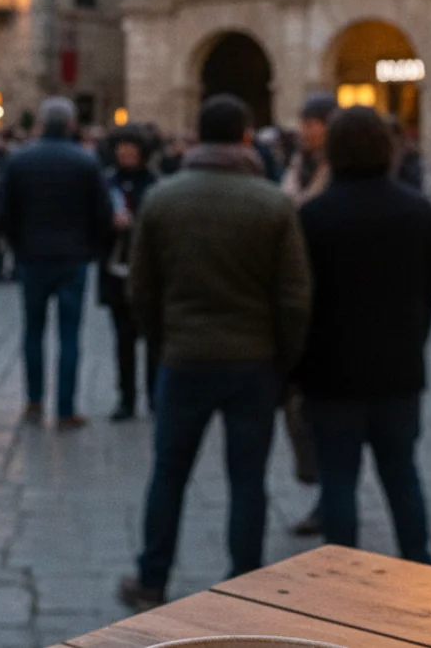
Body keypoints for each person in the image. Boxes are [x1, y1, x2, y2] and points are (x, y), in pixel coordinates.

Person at [118, 95, 312, 612]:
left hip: (184, 358)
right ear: (246, 136)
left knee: (169, 473)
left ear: (197, 136)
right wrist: (283, 358)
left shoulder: (162, 199)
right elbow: (295, 295)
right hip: (252, 362)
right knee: (247, 478)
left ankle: (152, 577)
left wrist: (162, 342)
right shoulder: (271, 202)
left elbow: (140, 288)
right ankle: (244, 583)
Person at [297, 107, 431, 563]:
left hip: (331, 369)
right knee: (402, 474)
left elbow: (303, 299)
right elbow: (428, 291)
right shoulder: (417, 211)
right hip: (398, 366)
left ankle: (341, 571)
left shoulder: (316, 216)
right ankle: (418, 560)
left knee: (338, 477)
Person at [0, 97, 113, 429]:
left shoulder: (19, 161)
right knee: (70, 336)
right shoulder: (85, 162)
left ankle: (33, 399)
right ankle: (65, 407)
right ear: (71, 124)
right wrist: (88, 246)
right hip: (72, 257)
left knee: (32, 331)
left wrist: (18, 246)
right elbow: (102, 213)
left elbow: (3, 213)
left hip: (32, 257)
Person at [280, 94, 337, 538]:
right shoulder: (298, 166)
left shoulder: (334, 176)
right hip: (300, 299)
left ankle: (330, 499)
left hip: (328, 301)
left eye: (315, 122)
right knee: (299, 406)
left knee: (320, 410)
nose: (307, 130)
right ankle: (320, 482)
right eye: (305, 122)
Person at [100, 125, 160, 422]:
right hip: (116, 269)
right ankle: (126, 397)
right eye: (121, 148)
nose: (125, 153)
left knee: (153, 339)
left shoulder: (155, 184)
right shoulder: (106, 183)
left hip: (149, 271)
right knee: (123, 338)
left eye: (131, 148)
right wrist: (108, 223)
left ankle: (154, 395)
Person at [282, 95, 338, 205]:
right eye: (302, 125)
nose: (302, 132)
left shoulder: (339, 167)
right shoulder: (298, 161)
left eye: (309, 125)